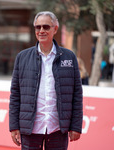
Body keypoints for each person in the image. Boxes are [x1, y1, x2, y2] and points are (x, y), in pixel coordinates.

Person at [9, 11, 83, 150]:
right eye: (38, 27)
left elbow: (76, 94)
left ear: (55, 29)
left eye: (46, 27)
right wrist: (14, 126)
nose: (41, 30)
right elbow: (15, 95)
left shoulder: (69, 57)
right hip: (30, 129)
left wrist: (76, 126)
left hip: (57, 129)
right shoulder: (22, 57)